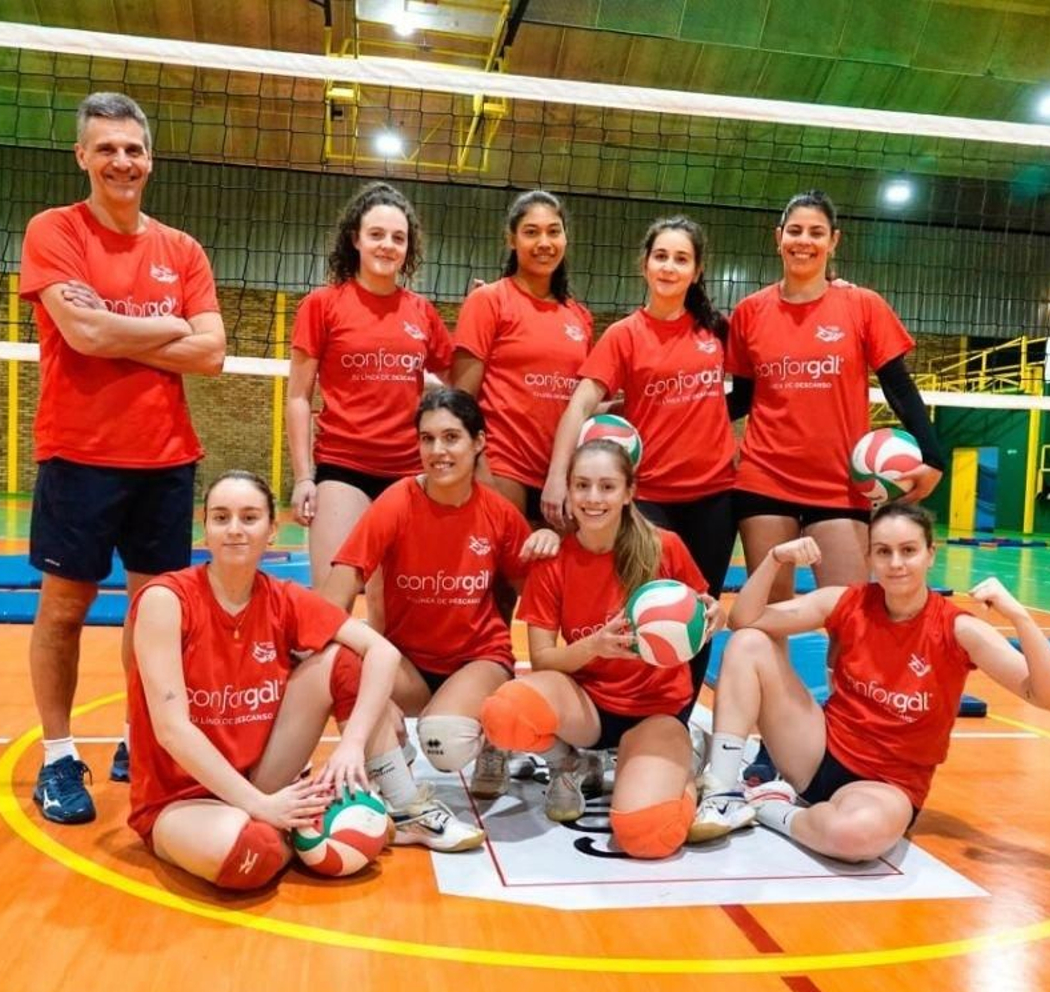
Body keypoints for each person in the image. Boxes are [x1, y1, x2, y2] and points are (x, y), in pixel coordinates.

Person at [19, 91, 227, 824]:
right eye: (106, 148)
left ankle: (141, 738)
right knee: (65, 609)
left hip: (166, 459)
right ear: (82, 156)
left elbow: (213, 352)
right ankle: (58, 756)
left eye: (133, 149)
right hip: (79, 454)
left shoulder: (183, 250)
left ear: (150, 159)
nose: (121, 161)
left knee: (154, 618)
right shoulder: (55, 231)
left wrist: (122, 328)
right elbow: (82, 336)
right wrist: (166, 325)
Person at [688, 502, 1050, 859]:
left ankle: (768, 807)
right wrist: (775, 558)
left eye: (908, 550)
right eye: (884, 551)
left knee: (853, 837)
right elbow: (746, 620)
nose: (896, 563)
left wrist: (1020, 618)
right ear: (870, 556)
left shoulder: (957, 629)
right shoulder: (847, 601)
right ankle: (722, 793)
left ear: (930, 554)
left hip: (886, 786)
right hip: (816, 750)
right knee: (749, 644)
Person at [126, 471, 409, 889]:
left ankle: (369, 803)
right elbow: (172, 730)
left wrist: (351, 745)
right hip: (182, 798)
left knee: (345, 660)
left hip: (260, 778)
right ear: (205, 529)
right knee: (252, 856)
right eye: (221, 518)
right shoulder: (166, 600)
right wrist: (262, 807)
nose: (235, 529)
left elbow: (383, 652)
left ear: (272, 530)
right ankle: (312, 826)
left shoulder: (283, 597)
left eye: (250, 517)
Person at [480, 440, 723, 860]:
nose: (593, 498)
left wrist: (711, 616)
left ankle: (684, 766)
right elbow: (542, 660)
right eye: (582, 485)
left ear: (629, 492)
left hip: (655, 712)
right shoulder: (553, 558)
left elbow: (702, 614)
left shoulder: (665, 548)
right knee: (504, 716)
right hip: (589, 708)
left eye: (607, 487)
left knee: (646, 836)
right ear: (569, 492)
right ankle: (570, 763)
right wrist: (596, 646)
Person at [320, 389, 559, 803]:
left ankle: (494, 738)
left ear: (478, 442)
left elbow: (541, 601)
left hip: (477, 658)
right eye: (427, 439)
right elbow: (335, 596)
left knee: (444, 742)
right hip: (408, 664)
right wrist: (359, 692)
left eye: (451, 437)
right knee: (334, 665)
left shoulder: (499, 514)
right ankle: (394, 764)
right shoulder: (396, 502)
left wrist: (552, 545)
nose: (437, 450)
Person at [542, 215, 736, 702]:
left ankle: (679, 718)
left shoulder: (718, 330)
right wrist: (557, 478)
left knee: (699, 613)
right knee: (640, 611)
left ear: (697, 270)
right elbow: (581, 403)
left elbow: (765, 367)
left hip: (714, 495)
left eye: (681, 258)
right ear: (645, 265)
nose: (670, 267)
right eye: (661, 256)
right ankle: (617, 716)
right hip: (649, 498)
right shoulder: (625, 335)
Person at [727, 190, 946, 601]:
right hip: (764, 480)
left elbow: (898, 385)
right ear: (779, 238)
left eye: (816, 232)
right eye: (794, 231)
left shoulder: (862, 305)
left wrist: (934, 457)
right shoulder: (749, 312)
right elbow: (741, 399)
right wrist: (659, 414)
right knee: (769, 619)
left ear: (834, 240)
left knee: (850, 620)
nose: (804, 240)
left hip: (841, 485)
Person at [287, 182, 453, 629]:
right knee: (329, 607)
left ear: (408, 248)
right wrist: (304, 478)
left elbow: (463, 382)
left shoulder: (421, 313)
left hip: (407, 474)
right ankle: (327, 696)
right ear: (355, 239)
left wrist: (483, 313)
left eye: (398, 238)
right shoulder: (322, 306)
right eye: (377, 234)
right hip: (343, 467)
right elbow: (299, 397)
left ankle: (383, 700)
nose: (387, 245)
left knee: (392, 611)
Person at [451, 190, 595, 524]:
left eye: (553, 231)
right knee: (500, 575)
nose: (544, 242)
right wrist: (480, 468)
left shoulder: (579, 317)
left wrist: (621, 406)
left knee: (547, 576)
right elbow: (461, 400)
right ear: (512, 240)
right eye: (531, 232)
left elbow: (572, 401)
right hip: (503, 467)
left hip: (559, 476)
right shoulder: (489, 301)